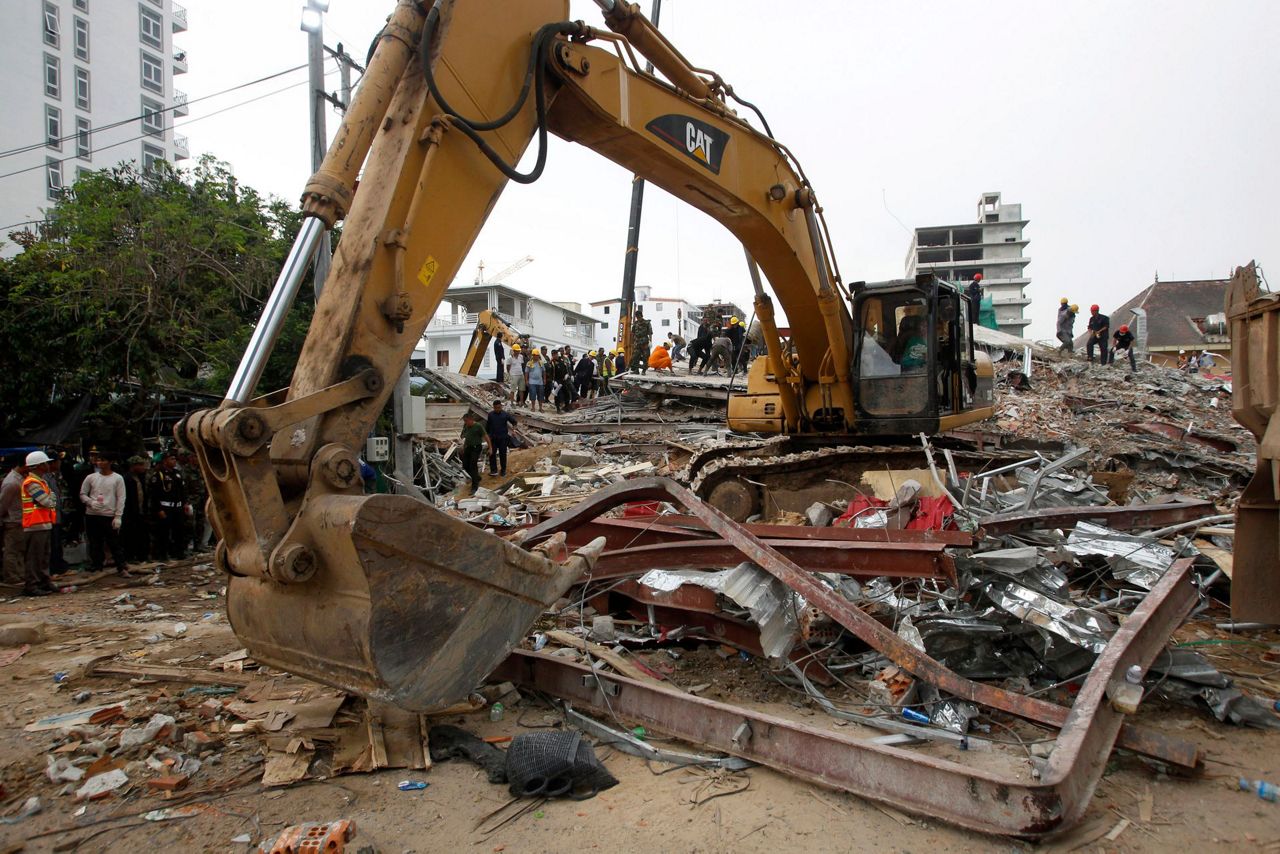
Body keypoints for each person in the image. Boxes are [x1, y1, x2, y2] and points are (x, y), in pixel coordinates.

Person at [79, 453, 130, 578]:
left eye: (103, 460)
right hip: (92, 514)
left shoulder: (117, 478)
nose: (100, 463)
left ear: (110, 462)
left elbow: (121, 498)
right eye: (98, 460)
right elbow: (82, 494)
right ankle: (97, 566)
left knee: (114, 543)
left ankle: (121, 567)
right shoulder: (90, 477)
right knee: (95, 542)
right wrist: (90, 502)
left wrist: (118, 516)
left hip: (108, 514)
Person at [19, 451, 59, 596]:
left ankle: (43, 581)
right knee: (35, 557)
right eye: (46, 463)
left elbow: (48, 501)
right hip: (35, 525)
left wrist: (51, 498)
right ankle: (32, 585)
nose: (48, 465)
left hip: (43, 524)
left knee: (43, 556)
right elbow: (48, 502)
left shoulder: (40, 482)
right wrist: (52, 497)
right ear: (39, 465)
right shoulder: (32, 483)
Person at [147, 452, 190, 561]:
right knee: (163, 533)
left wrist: (185, 503)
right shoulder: (158, 475)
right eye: (171, 459)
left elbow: (183, 491)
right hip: (165, 507)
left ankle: (179, 552)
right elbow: (154, 495)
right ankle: (162, 555)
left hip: (178, 507)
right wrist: (159, 509)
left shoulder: (177, 474)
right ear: (165, 461)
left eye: (175, 459)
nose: (174, 461)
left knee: (179, 531)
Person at [1, 455, 31, 590]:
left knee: (19, 550)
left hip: (21, 519)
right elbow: (3, 504)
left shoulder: (20, 479)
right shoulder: (12, 482)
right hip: (13, 520)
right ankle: (12, 576)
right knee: (12, 551)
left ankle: (19, 574)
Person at [122, 455, 150, 562]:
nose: (143, 467)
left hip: (141, 511)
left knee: (142, 535)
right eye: (141, 465)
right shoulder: (126, 479)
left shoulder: (141, 478)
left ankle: (142, 556)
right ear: (134, 466)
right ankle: (130, 557)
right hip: (130, 513)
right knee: (130, 536)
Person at [180, 452, 209, 552]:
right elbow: (183, 488)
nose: (197, 459)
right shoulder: (185, 471)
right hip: (191, 501)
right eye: (195, 457)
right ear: (191, 458)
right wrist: (186, 502)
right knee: (189, 525)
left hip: (201, 500)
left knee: (200, 524)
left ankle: (198, 545)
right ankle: (185, 546)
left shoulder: (200, 469)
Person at [459, 412, 490, 495]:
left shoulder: (478, 426)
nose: (465, 422)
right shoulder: (466, 426)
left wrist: (490, 448)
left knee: (473, 465)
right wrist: (463, 446)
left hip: (476, 448)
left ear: (471, 419)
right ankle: (477, 477)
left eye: (466, 421)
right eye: (464, 421)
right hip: (468, 447)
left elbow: (486, 436)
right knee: (465, 466)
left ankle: (475, 486)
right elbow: (467, 437)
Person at [485, 399, 517, 477]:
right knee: (492, 454)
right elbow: (488, 426)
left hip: (503, 438)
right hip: (493, 438)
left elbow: (514, 422)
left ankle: (503, 470)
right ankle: (494, 470)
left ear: (501, 407)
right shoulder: (490, 415)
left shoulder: (505, 414)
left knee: (503, 455)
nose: (497, 409)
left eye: (499, 407)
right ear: (493, 407)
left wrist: (514, 430)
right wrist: (488, 436)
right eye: (496, 408)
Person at [631, 307, 652, 373]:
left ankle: (643, 370)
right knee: (635, 357)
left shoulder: (647, 323)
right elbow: (633, 333)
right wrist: (633, 342)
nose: (638, 318)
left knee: (645, 357)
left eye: (638, 316)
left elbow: (650, 333)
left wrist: (650, 342)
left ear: (641, 315)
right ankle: (636, 370)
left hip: (645, 342)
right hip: (637, 342)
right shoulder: (635, 323)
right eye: (637, 316)